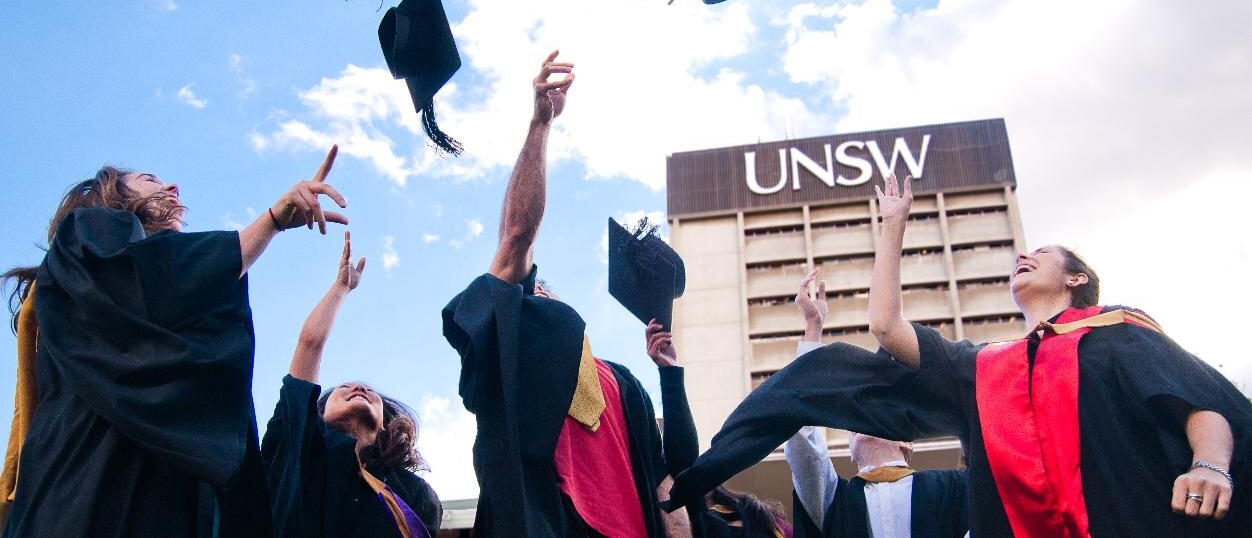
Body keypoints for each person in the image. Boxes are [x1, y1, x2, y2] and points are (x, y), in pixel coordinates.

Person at [664, 174, 1252, 538]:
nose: (1023, 255)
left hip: (1132, 515)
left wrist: (1210, 465)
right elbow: (887, 328)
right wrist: (892, 227)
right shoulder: (985, 367)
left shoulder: (1115, 332)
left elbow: (1194, 400)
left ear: (1076, 280)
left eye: (1041, 253)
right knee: (824, 372)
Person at [0, 146, 348, 537]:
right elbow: (154, 278)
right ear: (110, 196)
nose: (173, 186)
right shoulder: (88, 235)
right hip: (92, 491)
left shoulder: (170, 298)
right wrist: (271, 221)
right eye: (149, 180)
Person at [440, 50, 692, 537]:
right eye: (526, 294)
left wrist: (671, 376)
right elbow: (516, 236)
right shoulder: (511, 353)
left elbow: (668, 482)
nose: (536, 295)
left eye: (542, 290)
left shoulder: (622, 383)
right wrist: (541, 125)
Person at [262, 232, 442, 537]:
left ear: (386, 425)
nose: (359, 389)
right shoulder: (298, 453)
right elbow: (309, 344)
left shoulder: (415, 493)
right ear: (316, 417)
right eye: (343, 389)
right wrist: (341, 288)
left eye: (369, 392)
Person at [783, 269, 967, 538]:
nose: (864, 417)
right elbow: (800, 438)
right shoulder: (833, 499)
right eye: (858, 416)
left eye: (880, 410)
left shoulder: (955, 487)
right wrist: (813, 330)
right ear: (850, 450)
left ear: (907, 441)